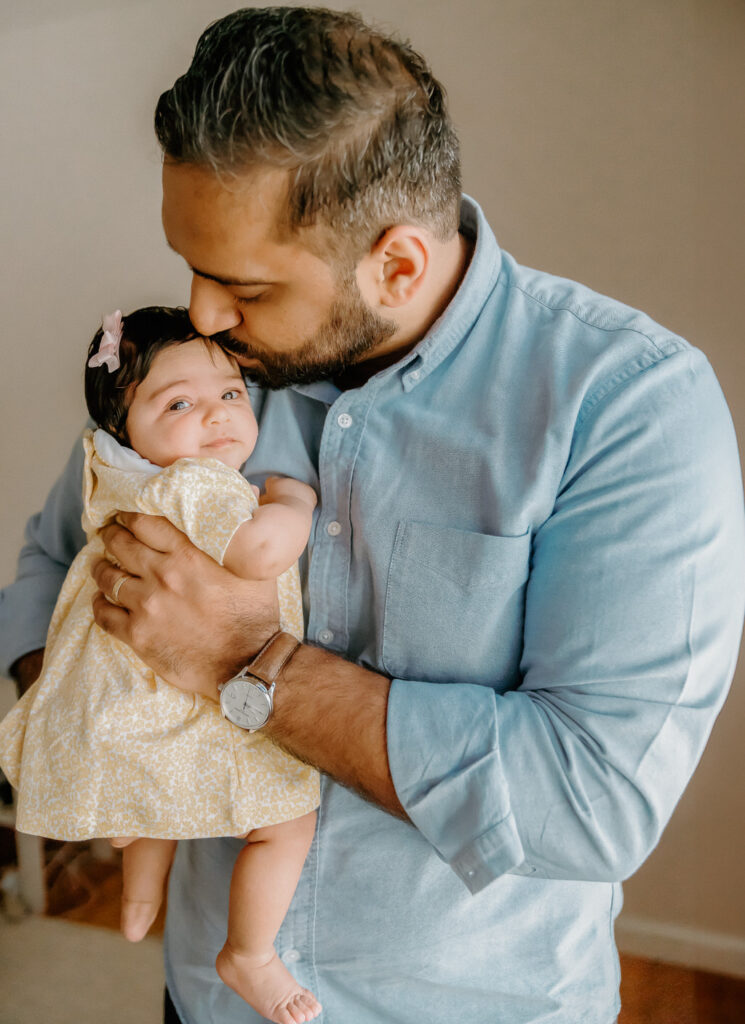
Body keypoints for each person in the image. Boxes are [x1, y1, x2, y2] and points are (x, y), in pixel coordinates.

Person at [2, 7, 744, 1023]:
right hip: (200, 1000)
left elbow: (590, 800)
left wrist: (238, 656)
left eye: (241, 285)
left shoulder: (629, 410)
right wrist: (79, 705)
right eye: (190, 265)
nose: (203, 316)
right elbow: (54, 556)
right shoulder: (211, 383)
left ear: (396, 265)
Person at [0, 306, 321, 1024]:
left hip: (129, 701)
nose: (218, 416)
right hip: (185, 694)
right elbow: (263, 552)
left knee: (151, 799)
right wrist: (293, 500)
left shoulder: (110, 470)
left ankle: (140, 901)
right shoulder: (199, 485)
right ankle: (249, 953)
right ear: (124, 427)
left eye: (232, 394)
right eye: (180, 403)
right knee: (288, 821)